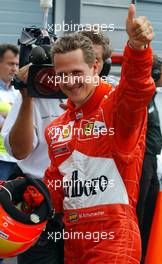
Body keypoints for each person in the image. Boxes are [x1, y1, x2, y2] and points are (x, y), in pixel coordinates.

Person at [44, 3, 155, 264]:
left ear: (95, 67)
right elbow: (56, 186)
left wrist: (137, 49)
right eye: (62, 75)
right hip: (72, 241)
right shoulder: (56, 127)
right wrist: (27, 197)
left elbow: (136, 90)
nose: (69, 82)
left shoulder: (117, 108)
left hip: (114, 239)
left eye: (76, 73)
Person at [1, 70, 65, 262]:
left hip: (87, 213)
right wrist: (28, 96)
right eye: (62, 71)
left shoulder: (106, 95)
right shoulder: (36, 89)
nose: (69, 78)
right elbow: (19, 151)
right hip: (40, 206)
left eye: (78, 71)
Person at [137, 55, 162, 264]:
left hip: (152, 160)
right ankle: (135, 255)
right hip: (142, 160)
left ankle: (144, 255)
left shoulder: (153, 94)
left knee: (150, 211)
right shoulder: (143, 93)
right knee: (140, 210)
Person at [0, 44, 19, 181]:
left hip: (17, 159)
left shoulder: (18, 92)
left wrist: (9, 117)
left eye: (17, 64)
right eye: (10, 64)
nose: (14, 69)